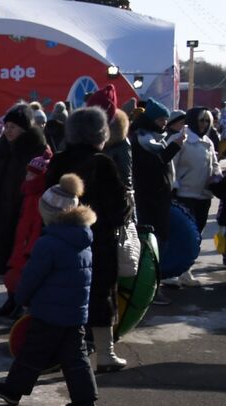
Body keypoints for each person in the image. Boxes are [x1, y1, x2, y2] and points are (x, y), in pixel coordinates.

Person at [0, 174, 99, 406]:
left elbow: (32, 276)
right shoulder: (83, 239)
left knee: (32, 352)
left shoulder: (48, 243)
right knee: (75, 356)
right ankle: (85, 398)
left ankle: (12, 390)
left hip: (49, 311)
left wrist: (20, 297)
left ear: (50, 214)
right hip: (75, 311)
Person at [48, 106, 133, 372]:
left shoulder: (58, 161)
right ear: (100, 134)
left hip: (59, 238)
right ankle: (105, 354)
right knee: (99, 294)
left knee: (63, 295)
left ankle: (57, 353)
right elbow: (118, 212)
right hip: (97, 241)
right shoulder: (104, 162)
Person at [0, 104, 48, 317]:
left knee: (22, 260)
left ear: (24, 128)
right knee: (8, 261)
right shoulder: (4, 148)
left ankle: (22, 302)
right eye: (6, 126)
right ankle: (12, 299)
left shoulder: (36, 150)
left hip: (26, 213)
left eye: (12, 127)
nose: (8, 131)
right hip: (5, 210)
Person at [172, 107, 220, 286]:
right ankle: (173, 271)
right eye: (201, 120)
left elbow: (214, 165)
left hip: (204, 196)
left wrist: (217, 180)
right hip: (184, 194)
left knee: (196, 235)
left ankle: (186, 271)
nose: (205, 124)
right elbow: (172, 164)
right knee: (182, 235)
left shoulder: (208, 142)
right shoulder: (182, 139)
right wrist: (174, 187)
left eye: (207, 121)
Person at [129, 99, 181, 255]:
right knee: (151, 238)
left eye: (165, 120)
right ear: (151, 120)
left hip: (160, 195)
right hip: (148, 196)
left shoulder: (155, 138)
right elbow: (153, 165)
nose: (164, 123)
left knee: (160, 236)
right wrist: (175, 147)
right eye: (161, 120)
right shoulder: (142, 139)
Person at [1, 154, 51, 299]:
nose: (27, 176)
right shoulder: (28, 193)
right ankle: (11, 300)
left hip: (28, 243)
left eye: (31, 174)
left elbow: (35, 224)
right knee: (14, 271)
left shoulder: (39, 197)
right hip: (22, 239)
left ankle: (17, 302)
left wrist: (29, 246)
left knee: (20, 273)